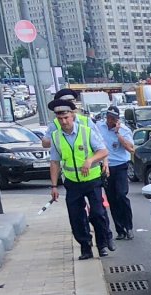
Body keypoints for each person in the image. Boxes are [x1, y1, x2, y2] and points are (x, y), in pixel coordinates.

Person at [46, 97, 111, 260]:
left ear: (72, 116)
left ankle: (102, 244)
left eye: (66, 117)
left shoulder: (86, 131)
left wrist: (90, 160)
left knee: (97, 213)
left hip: (92, 180)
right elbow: (54, 162)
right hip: (72, 183)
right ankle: (85, 247)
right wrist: (54, 186)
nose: (63, 121)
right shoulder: (56, 137)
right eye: (60, 119)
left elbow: (103, 151)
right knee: (76, 217)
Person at [96, 106, 136, 240]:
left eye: (113, 118)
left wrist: (117, 133)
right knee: (112, 199)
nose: (110, 120)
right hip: (106, 167)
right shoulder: (99, 127)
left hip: (120, 166)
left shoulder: (124, 130)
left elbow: (130, 149)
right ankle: (120, 230)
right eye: (108, 117)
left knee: (121, 195)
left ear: (117, 119)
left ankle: (128, 227)